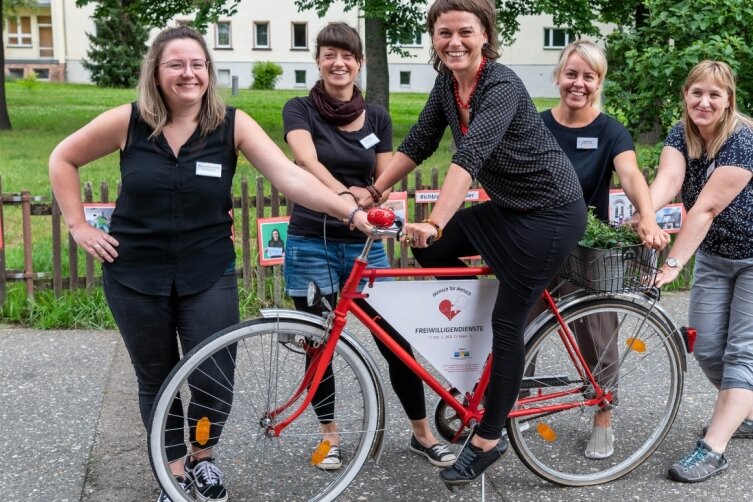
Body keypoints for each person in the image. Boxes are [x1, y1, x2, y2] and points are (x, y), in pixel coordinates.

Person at [48, 26, 372, 502]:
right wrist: (78, 226)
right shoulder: (128, 122)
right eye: (176, 64)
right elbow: (63, 158)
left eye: (197, 64)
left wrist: (351, 211)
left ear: (209, 71)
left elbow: (290, 177)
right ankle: (173, 470)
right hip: (135, 275)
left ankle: (204, 460)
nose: (188, 73)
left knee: (212, 378)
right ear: (156, 72)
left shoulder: (232, 125)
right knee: (156, 379)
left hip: (208, 273)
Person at [365, 0, 586, 486]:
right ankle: (468, 343)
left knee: (507, 321)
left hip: (551, 212)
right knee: (429, 251)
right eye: (444, 33)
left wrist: (438, 219)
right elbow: (420, 141)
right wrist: (374, 191)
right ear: (434, 39)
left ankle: (489, 439)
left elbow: (469, 157)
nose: (454, 42)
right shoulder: (448, 84)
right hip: (510, 207)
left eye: (466, 31)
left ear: (486, 34)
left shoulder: (501, 84)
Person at [282, 22, 455, 471]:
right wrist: (344, 198)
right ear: (317, 60)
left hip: (365, 245)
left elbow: (383, 176)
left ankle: (422, 433)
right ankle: (329, 437)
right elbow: (305, 161)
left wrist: (370, 198)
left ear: (360, 63)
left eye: (347, 55)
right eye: (329, 54)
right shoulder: (298, 109)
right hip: (310, 241)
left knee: (392, 339)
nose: (338, 63)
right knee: (316, 344)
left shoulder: (377, 115)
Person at [535, 40, 669, 459]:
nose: (578, 83)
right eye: (571, 74)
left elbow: (629, 174)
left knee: (599, 335)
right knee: (517, 331)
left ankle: (603, 418)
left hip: (587, 249)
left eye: (588, 76)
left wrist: (646, 215)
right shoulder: (536, 125)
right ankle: (511, 410)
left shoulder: (610, 131)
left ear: (599, 82)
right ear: (558, 76)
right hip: (535, 242)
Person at [646, 61, 753, 483]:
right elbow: (669, 181)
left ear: (729, 99)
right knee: (707, 348)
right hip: (715, 256)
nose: (704, 102)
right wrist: (642, 213)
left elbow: (706, 207)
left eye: (714, 94)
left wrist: (672, 264)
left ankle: (714, 448)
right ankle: (743, 409)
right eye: (696, 93)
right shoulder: (681, 133)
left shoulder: (743, 139)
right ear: (685, 95)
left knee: (741, 353)